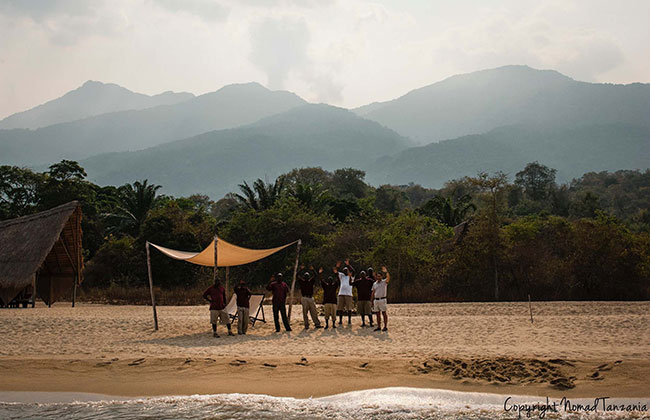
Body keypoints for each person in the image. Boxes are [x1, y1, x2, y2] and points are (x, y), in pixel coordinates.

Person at [333, 259, 355, 325]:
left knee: (349, 308)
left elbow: (353, 271)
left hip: (348, 294)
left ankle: (349, 320)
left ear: (348, 271)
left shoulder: (351, 276)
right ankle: (340, 320)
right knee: (340, 308)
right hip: (341, 293)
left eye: (346, 270)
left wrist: (348, 265)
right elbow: (335, 271)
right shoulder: (341, 276)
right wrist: (337, 267)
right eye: (344, 270)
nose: (345, 271)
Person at [371, 266, 390, 332]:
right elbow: (373, 292)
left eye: (380, 276)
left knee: (384, 313)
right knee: (377, 314)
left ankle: (385, 326)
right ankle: (379, 326)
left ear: (381, 277)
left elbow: (388, 278)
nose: (378, 277)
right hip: (376, 300)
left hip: (382, 299)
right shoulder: (374, 284)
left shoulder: (384, 282)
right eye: (377, 276)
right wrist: (372, 301)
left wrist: (386, 272)